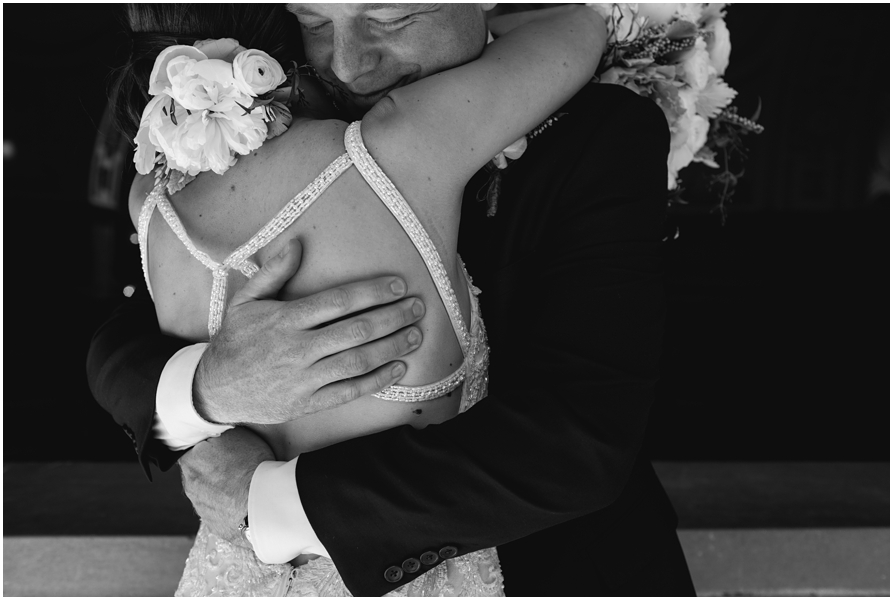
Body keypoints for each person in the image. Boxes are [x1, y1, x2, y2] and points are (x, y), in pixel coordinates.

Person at [88, 3, 695, 596]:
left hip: (555, 571)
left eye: (394, 18)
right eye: (315, 23)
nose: (351, 65)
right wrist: (207, 389)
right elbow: (120, 351)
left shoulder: (599, 132)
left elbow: (579, 442)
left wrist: (268, 504)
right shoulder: (244, 148)